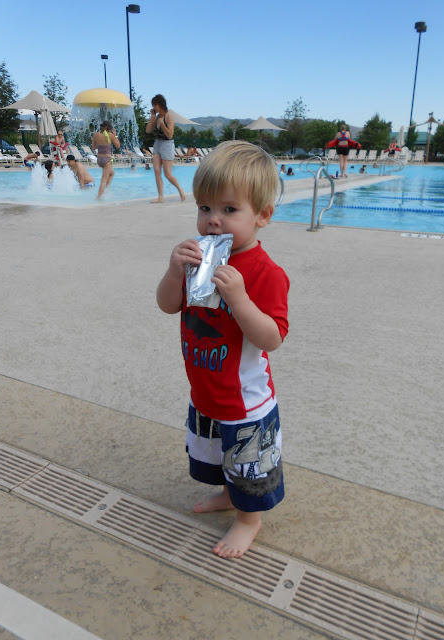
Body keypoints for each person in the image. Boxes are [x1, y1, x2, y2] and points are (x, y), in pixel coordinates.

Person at [156, 140, 289, 558]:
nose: (213, 220)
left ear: (262, 216)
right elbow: (168, 305)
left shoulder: (266, 273)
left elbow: (272, 337)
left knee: (248, 463)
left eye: (229, 209)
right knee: (217, 455)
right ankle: (231, 495)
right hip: (206, 391)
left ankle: (249, 518)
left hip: (245, 400)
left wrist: (240, 300)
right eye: (205, 207)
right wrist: (174, 271)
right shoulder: (198, 259)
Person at [146, 94, 186, 203]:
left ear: (160, 105)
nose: (153, 107)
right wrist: (152, 117)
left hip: (167, 145)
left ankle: (181, 191)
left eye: (155, 105)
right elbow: (148, 130)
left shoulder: (168, 117)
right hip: (157, 144)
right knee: (156, 171)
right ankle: (160, 197)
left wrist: (162, 125)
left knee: (167, 174)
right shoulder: (156, 117)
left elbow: (170, 135)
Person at [92, 120, 120, 199]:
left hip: (99, 159)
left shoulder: (95, 135)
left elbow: (93, 147)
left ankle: (105, 191)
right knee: (103, 181)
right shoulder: (110, 135)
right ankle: (98, 197)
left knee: (111, 173)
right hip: (107, 159)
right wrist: (115, 136)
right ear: (109, 128)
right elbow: (118, 146)